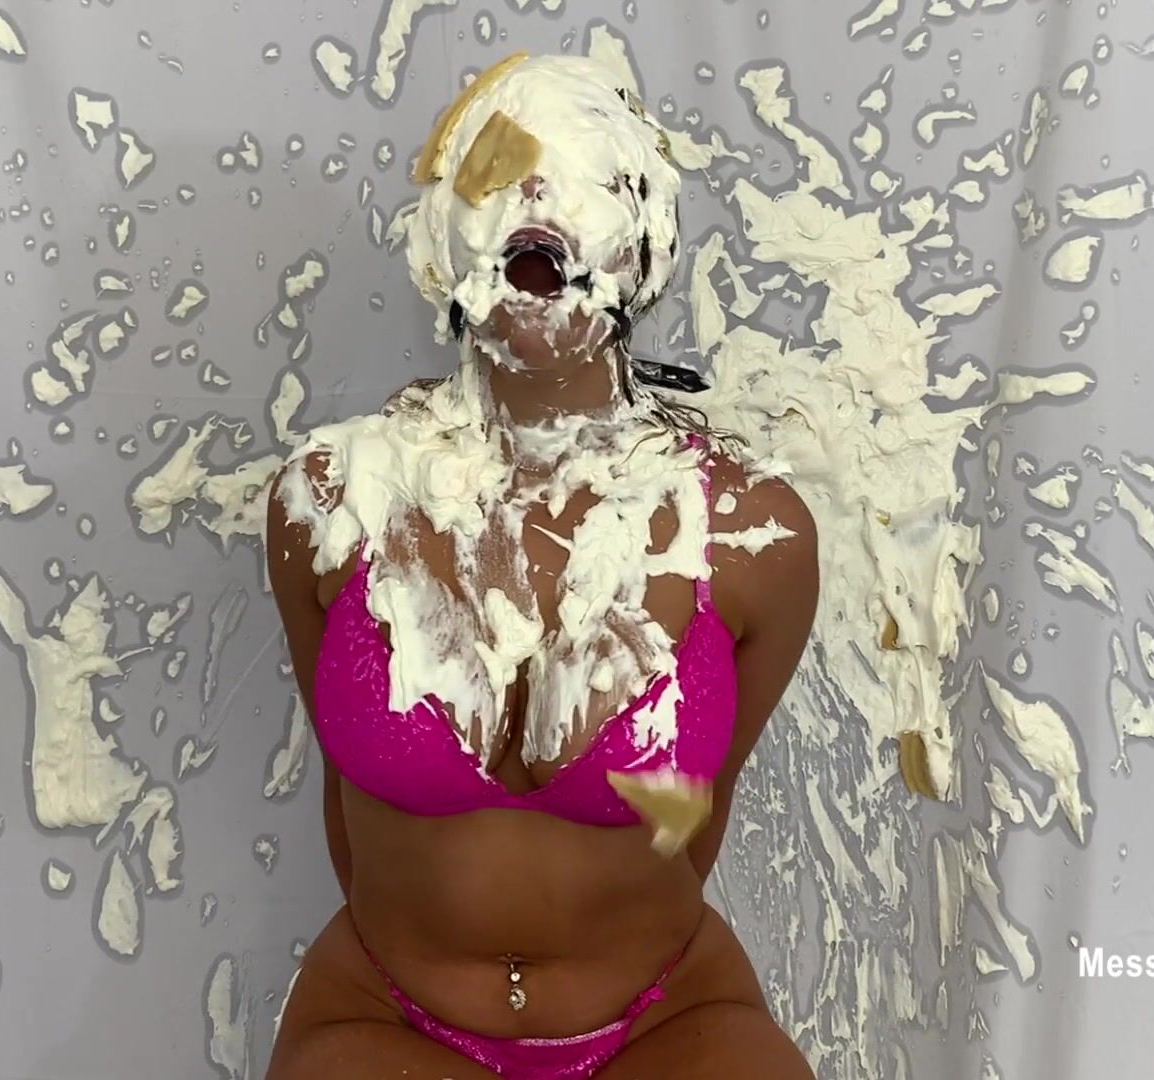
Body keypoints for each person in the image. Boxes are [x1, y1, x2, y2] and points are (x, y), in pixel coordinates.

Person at [264, 51, 819, 1079]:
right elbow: (345, 800)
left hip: (667, 1017)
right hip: (382, 1015)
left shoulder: (752, 535)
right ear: (440, 238)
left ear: (646, 241)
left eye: (586, 178)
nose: (534, 199)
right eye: (499, 172)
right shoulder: (327, 504)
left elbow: (697, 817)